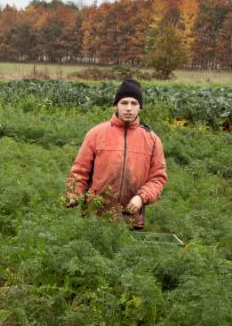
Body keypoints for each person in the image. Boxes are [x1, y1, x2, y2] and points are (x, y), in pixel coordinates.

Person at [65, 79, 167, 229]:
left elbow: (158, 177)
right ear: (116, 105)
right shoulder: (96, 134)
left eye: (134, 103)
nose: (128, 108)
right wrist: (74, 194)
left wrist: (141, 197)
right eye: (124, 103)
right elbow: (80, 170)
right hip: (96, 215)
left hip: (131, 217)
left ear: (140, 108)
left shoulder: (152, 139)